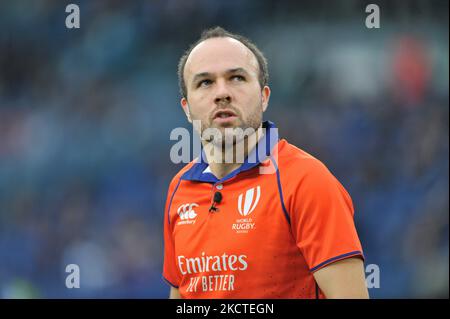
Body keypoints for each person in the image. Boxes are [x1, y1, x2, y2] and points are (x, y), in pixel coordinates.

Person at [163, 26, 368, 299]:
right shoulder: (179, 189)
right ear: (187, 108)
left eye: (237, 78)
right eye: (205, 82)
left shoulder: (307, 181)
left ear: (264, 96)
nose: (222, 93)